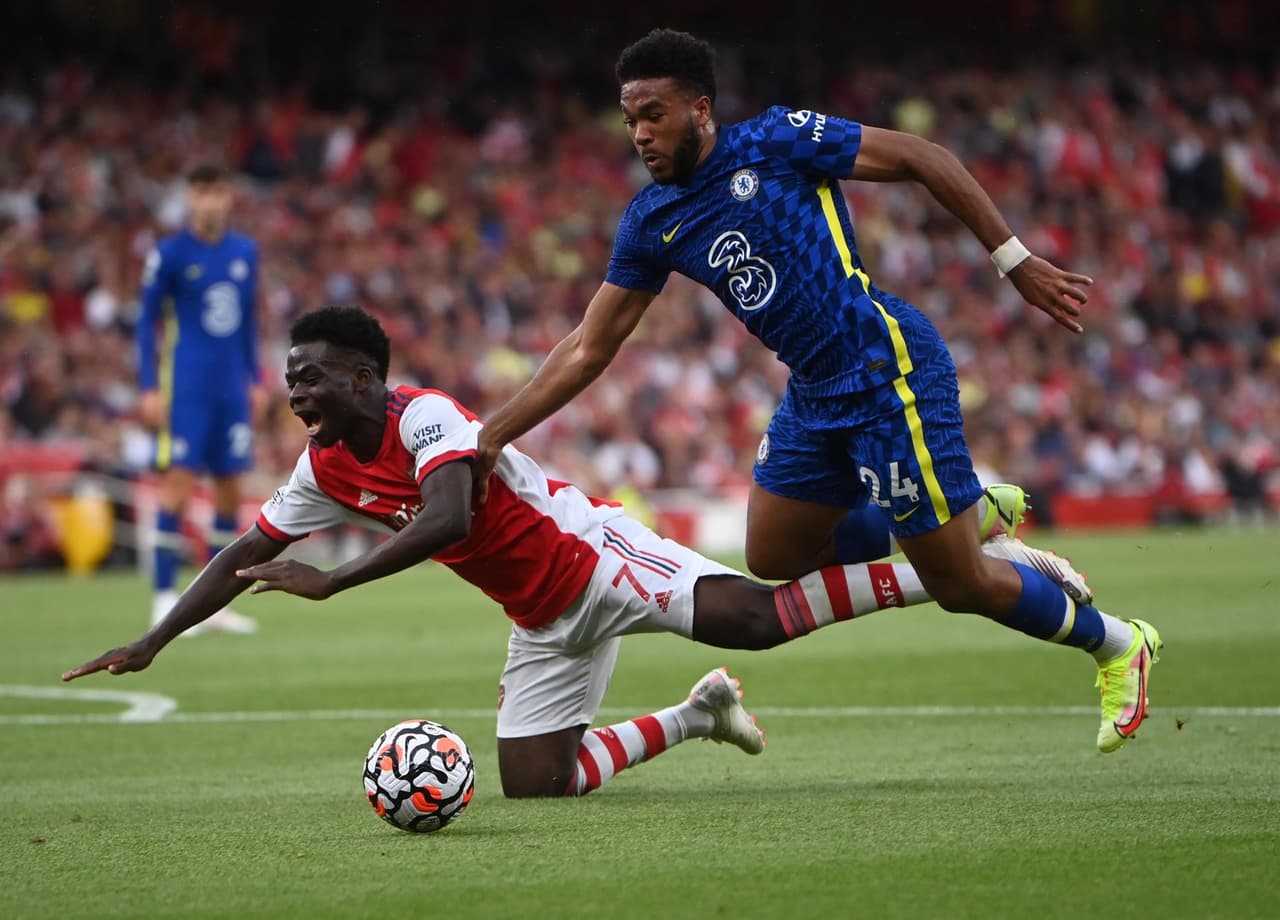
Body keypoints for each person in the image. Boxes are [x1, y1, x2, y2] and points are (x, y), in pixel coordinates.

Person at [64, 307, 1085, 797]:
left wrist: (332, 580)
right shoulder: (322, 467)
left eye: (312, 379)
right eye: (291, 382)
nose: (297, 395)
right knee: (536, 782)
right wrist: (156, 638)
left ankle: (960, 572)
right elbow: (243, 549)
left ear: (366, 378)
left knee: (757, 619)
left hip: (593, 554)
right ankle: (696, 715)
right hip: (541, 615)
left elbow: (450, 516)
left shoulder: (427, 418)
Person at [470, 29, 1161, 754]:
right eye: (630, 120)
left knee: (961, 586)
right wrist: (493, 435)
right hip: (815, 393)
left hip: (886, 370)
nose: (640, 134)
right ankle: (967, 518)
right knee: (772, 553)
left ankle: (1118, 644)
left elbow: (922, 156)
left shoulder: (776, 140)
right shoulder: (651, 220)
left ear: (700, 109)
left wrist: (1012, 259)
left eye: (654, 114)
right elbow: (589, 346)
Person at [136, 163, 263, 634]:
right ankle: (164, 598)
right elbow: (146, 323)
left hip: (231, 390)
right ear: (190, 197)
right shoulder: (169, 254)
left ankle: (214, 604)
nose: (210, 200)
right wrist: (149, 386)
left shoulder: (245, 252)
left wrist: (256, 377)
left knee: (230, 491)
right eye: (202, 191)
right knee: (178, 485)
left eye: (218, 191)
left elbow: (248, 322)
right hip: (186, 388)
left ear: (229, 196)